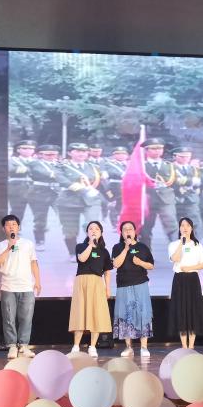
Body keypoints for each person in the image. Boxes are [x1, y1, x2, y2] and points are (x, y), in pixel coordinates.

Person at [0, 214, 41, 359]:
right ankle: (12, 346)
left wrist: (38, 281)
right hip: (8, 287)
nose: (11, 227)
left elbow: (33, 263)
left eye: (14, 224)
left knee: (26, 318)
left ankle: (24, 346)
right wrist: (8, 248)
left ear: (18, 227)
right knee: (9, 318)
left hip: (26, 286)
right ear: (3, 228)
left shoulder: (28, 244)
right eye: (8, 225)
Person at [112, 220, 155, 358]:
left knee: (143, 314)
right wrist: (126, 249)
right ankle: (128, 347)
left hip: (140, 284)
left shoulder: (143, 247)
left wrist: (140, 262)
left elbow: (151, 265)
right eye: (125, 229)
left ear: (135, 232)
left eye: (130, 229)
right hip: (123, 285)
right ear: (121, 233)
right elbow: (116, 264)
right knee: (125, 315)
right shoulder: (117, 247)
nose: (128, 231)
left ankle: (144, 347)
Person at [69, 221, 113, 356]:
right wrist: (90, 245)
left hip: (97, 282)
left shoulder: (104, 251)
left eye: (97, 229)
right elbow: (82, 259)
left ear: (101, 233)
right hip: (82, 281)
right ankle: (76, 346)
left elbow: (107, 272)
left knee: (96, 314)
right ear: (87, 232)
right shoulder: (80, 246)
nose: (94, 231)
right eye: (91, 229)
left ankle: (92, 346)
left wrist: (108, 288)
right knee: (80, 313)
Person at [168, 217, 203, 348]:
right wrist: (182, 243)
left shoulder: (197, 245)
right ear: (179, 228)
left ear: (191, 228)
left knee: (193, 311)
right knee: (181, 311)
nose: (185, 228)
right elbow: (175, 258)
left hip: (192, 280)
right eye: (182, 225)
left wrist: (190, 268)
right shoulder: (174, 244)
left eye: (187, 225)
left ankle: (191, 346)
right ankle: (184, 346)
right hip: (179, 280)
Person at [58, 142, 102, 257]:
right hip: (69, 201)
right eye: (77, 151)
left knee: (92, 225)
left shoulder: (93, 167)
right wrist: (83, 189)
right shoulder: (61, 166)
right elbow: (62, 180)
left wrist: (111, 198)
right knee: (70, 231)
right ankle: (73, 252)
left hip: (91, 201)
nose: (81, 154)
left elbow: (101, 183)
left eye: (84, 151)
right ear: (69, 153)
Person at [143, 138, 179, 242]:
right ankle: (145, 249)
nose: (157, 151)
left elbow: (175, 182)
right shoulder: (141, 166)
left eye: (159, 148)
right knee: (145, 227)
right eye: (153, 149)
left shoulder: (169, 165)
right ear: (146, 150)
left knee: (172, 225)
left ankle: (175, 248)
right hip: (147, 199)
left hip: (166, 199)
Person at [27, 145, 61, 252]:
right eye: (48, 154)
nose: (51, 156)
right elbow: (40, 172)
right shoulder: (35, 164)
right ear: (41, 154)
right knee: (40, 219)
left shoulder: (61, 164)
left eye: (53, 154)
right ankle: (40, 241)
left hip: (57, 193)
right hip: (40, 192)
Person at [173, 146, 202, 230]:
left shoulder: (194, 169)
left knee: (194, 220)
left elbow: (199, 182)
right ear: (175, 156)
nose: (185, 158)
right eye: (181, 156)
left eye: (187, 156)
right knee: (176, 222)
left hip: (191, 197)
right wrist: (191, 181)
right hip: (175, 196)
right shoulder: (170, 167)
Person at [7, 140, 36, 223]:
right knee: (17, 211)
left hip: (34, 189)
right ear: (18, 150)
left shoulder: (37, 162)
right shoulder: (12, 160)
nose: (28, 151)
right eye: (24, 148)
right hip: (17, 188)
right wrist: (28, 169)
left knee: (39, 212)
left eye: (31, 149)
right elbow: (10, 170)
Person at [102, 146, 129, 229]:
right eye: (118, 154)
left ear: (127, 155)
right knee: (114, 205)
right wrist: (123, 175)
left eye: (123, 154)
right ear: (113, 155)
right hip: (114, 187)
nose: (121, 155)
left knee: (125, 206)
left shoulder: (130, 164)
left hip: (128, 187)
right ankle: (115, 224)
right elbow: (111, 172)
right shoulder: (109, 164)